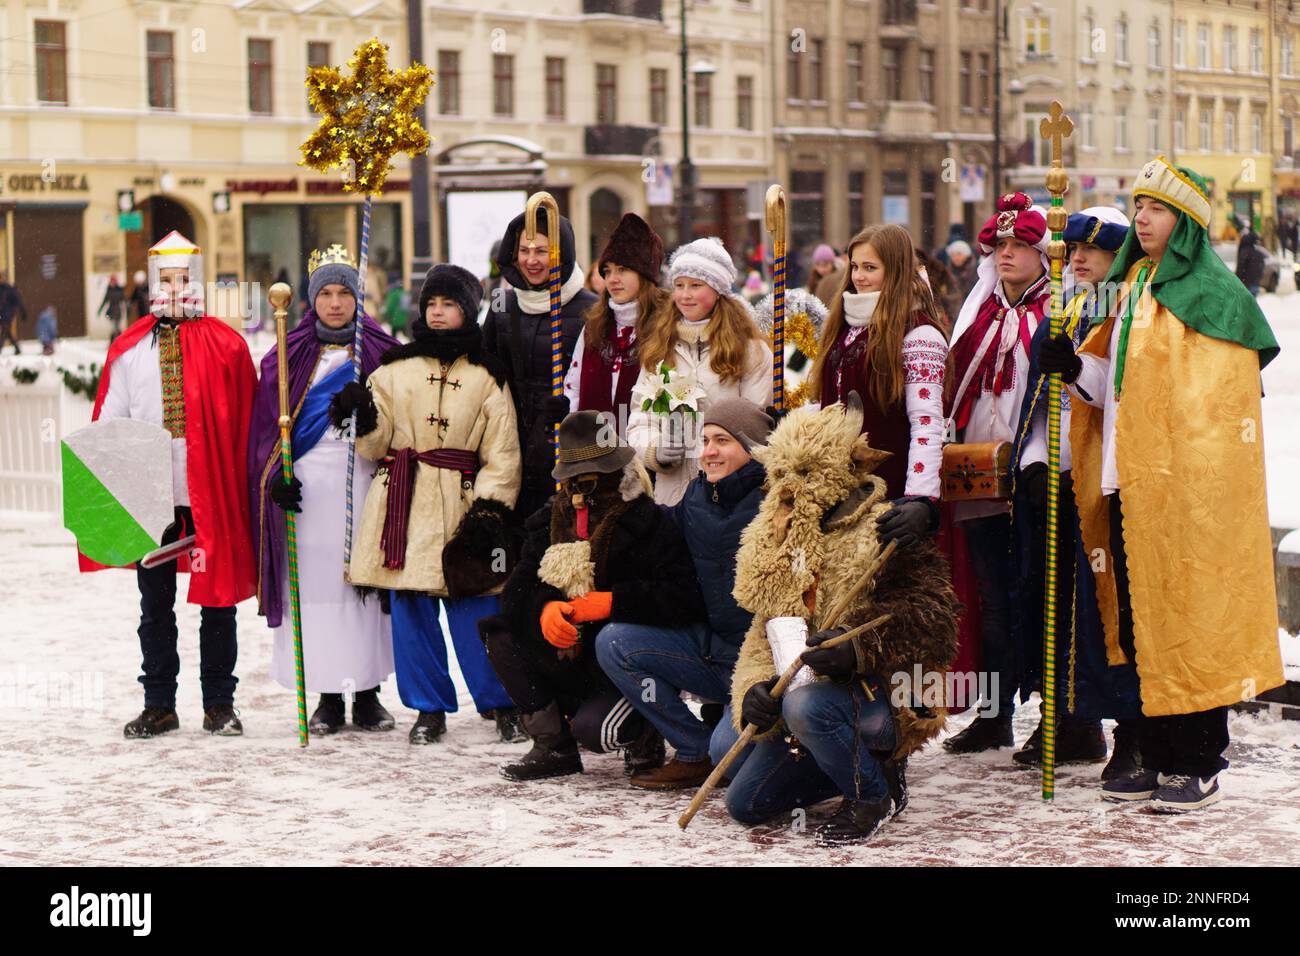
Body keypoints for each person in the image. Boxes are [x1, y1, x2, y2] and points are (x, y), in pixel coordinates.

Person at [1038, 156, 1283, 811]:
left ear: (1187, 224)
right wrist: (1069, 368)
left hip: (1187, 491)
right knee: (1139, 623)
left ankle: (1196, 758)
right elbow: (1113, 392)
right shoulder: (1130, 285)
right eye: (1138, 206)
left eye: (1157, 209)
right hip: (1124, 485)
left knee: (1190, 618)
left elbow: (1221, 404)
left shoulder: (1215, 295)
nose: (1142, 218)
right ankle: (1147, 745)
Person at [712, 397, 960, 845]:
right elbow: (761, 635)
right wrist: (755, 689)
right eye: (781, 475)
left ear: (837, 471)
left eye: (804, 475)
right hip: (801, 690)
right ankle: (847, 763)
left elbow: (934, 619)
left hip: (880, 696)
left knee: (806, 707)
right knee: (739, 793)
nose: (789, 489)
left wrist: (856, 647)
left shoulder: (884, 530)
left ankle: (872, 794)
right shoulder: (775, 542)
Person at [332, 264, 525, 745]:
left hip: (463, 503)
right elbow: (374, 446)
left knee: (478, 612)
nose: (438, 313)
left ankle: (500, 702)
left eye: (450, 304)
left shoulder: (487, 376)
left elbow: (503, 453)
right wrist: (361, 413)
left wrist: (489, 512)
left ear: (468, 310)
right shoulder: (393, 370)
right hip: (405, 500)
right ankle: (429, 707)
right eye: (432, 304)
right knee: (412, 612)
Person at [85, 231, 258, 738]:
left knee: (217, 601)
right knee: (154, 604)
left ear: (198, 281)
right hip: (151, 498)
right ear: (153, 282)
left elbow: (250, 422)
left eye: (185, 278)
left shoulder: (228, 346)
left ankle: (218, 703)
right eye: (167, 279)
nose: (177, 288)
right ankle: (159, 703)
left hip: (210, 495)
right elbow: (108, 425)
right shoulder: (129, 350)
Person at [482, 410, 706, 780]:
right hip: (569, 659)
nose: (582, 492)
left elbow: (684, 597)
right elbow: (517, 590)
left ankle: (642, 733)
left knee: (598, 731)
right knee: (498, 634)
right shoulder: (551, 520)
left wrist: (614, 603)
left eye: (594, 480)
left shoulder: (649, 522)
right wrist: (545, 608)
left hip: (622, 667)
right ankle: (553, 746)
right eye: (575, 481)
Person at [1008, 208, 1142, 777]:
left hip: (1107, 484)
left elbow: (1118, 395)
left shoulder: (1131, 309)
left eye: (1096, 249)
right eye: (1074, 248)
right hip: (1058, 483)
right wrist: (1036, 464)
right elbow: (1039, 404)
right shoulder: (1063, 309)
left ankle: (1129, 730)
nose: (1079, 258)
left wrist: (1077, 371)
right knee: (1053, 605)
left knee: (1106, 614)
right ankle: (1067, 718)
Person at [248, 244, 400, 736]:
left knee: (360, 587)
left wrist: (371, 415)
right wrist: (276, 481)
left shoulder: (382, 351)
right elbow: (264, 434)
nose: (336, 303)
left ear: (359, 297)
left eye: (345, 293)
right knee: (315, 592)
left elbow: (403, 425)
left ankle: (368, 694)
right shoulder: (285, 356)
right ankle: (328, 697)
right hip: (308, 495)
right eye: (327, 293)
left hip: (363, 484)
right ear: (312, 299)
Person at [595, 398, 772, 789]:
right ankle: (693, 749)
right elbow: (649, 534)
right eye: (705, 440)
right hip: (712, 651)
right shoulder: (695, 497)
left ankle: (735, 745)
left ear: (752, 446)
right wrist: (606, 500)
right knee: (615, 642)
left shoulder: (777, 501)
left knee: (732, 759)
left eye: (722, 441)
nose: (708, 452)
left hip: (760, 665)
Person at [942, 192, 1053, 753]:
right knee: (989, 599)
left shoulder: (1056, 314)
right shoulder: (979, 313)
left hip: (1038, 479)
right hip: (976, 478)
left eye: (1019, 245)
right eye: (1000, 246)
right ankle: (993, 715)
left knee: (1042, 596)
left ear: (1041, 253)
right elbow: (955, 386)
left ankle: (1062, 722)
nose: (1007, 254)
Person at [808, 224, 949, 547]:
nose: (858, 277)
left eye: (870, 268)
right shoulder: (843, 326)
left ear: (895, 271)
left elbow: (927, 423)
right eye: (855, 266)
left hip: (889, 493)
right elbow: (830, 399)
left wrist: (920, 499)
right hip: (838, 491)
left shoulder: (917, 333)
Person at [626, 237, 773, 506]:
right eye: (679, 285)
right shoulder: (660, 349)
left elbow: (755, 423)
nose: (685, 294)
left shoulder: (750, 351)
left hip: (730, 494)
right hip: (672, 497)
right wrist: (655, 448)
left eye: (696, 285)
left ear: (717, 290)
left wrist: (715, 446)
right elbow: (640, 419)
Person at [483, 209, 599, 520]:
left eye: (542, 251)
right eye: (524, 250)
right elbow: (485, 372)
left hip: (567, 451)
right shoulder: (502, 304)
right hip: (511, 450)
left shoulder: (592, 309)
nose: (531, 260)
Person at [561, 213, 668, 431]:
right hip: (593, 454)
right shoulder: (594, 327)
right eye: (607, 271)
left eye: (622, 269)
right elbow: (573, 389)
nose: (612, 279)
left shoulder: (667, 326)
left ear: (644, 274)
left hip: (646, 456)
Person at [0, 271, 26, 354]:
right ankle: (17, 348)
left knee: (4, 331)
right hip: (2, 314)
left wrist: (23, 312)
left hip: (8, 314)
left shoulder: (9, 289)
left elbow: (18, 301)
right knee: (7, 332)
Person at [1236, 229, 1265, 297]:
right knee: (1252, 304)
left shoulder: (1244, 253)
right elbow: (1261, 268)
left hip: (1246, 284)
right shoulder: (1258, 253)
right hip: (1255, 283)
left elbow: (1240, 268)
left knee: (1245, 305)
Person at [99, 275, 127, 342]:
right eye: (112, 281)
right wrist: (100, 310)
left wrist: (127, 308)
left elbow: (124, 300)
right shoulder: (109, 290)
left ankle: (119, 341)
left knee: (117, 327)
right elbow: (105, 300)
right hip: (111, 311)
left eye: (114, 281)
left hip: (118, 311)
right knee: (114, 328)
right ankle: (114, 342)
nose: (113, 283)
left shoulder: (120, 290)